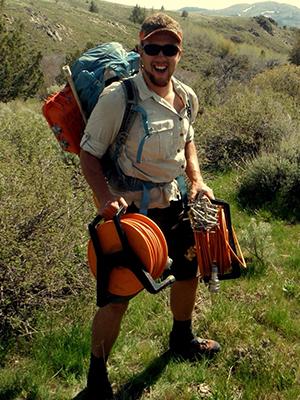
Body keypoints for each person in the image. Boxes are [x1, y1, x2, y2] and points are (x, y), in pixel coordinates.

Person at [80, 13, 220, 400]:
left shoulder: (187, 96)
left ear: (179, 53)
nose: (161, 57)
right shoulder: (118, 98)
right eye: (152, 48)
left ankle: (181, 339)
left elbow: (187, 140)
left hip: (174, 204)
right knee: (117, 297)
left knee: (188, 271)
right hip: (131, 217)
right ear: (140, 49)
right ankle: (96, 379)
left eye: (169, 49)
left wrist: (196, 180)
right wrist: (105, 199)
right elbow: (89, 155)